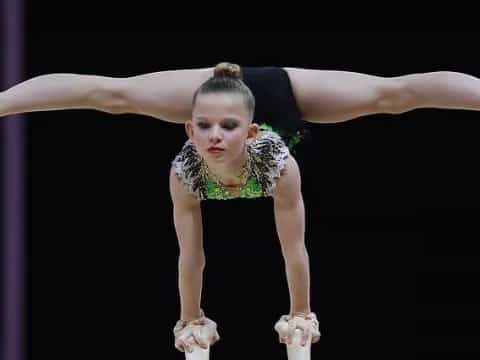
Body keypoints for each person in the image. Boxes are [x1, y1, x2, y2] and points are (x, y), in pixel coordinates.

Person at [2, 61, 480, 354]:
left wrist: (301, 315)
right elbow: (191, 255)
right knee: (112, 95)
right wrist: (190, 319)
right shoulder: (185, 169)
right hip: (218, 99)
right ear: (189, 128)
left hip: (277, 96)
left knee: (390, 96)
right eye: (201, 129)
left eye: (228, 129)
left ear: (252, 131)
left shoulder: (278, 165)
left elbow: (294, 248)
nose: (210, 139)